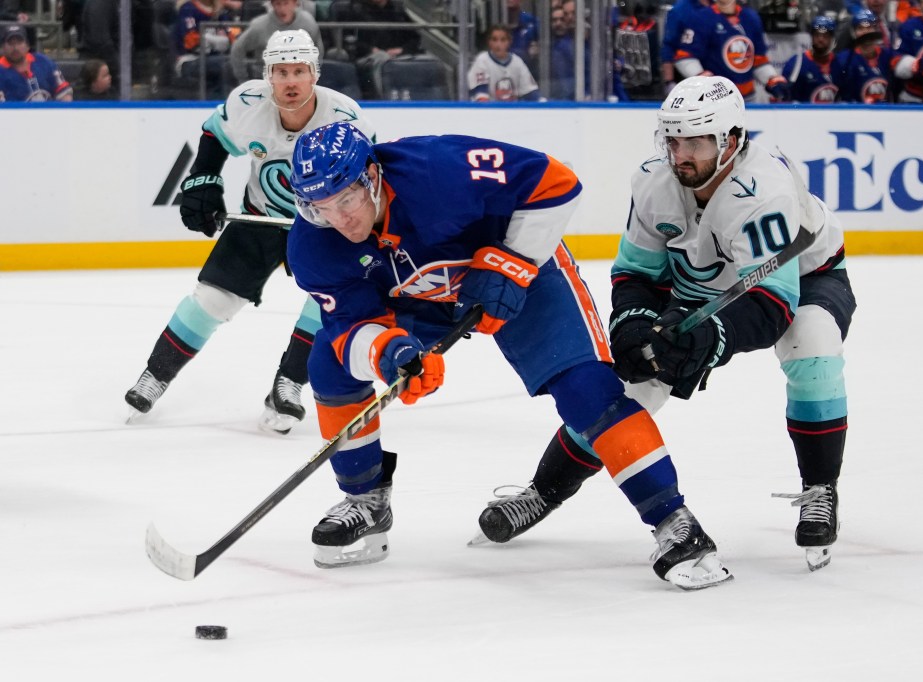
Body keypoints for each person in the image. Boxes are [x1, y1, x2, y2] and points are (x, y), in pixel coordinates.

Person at [285, 121, 734, 590]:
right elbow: (351, 328)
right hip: (415, 300)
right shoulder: (314, 245)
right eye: (319, 208)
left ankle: (673, 521)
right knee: (327, 364)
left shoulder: (440, 171)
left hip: (520, 275)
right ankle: (366, 501)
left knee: (587, 389)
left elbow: (557, 182)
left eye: (347, 200)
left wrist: (512, 261)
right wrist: (389, 352)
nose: (339, 220)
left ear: (372, 177)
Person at [477, 75, 855, 573]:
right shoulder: (654, 180)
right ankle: (544, 491)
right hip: (704, 285)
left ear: (732, 141)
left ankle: (819, 488)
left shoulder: (765, 191)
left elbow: (772, 304)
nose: (681, 154)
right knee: (631, 389)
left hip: (801, 278)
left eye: (696, 141)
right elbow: (637, 272)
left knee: (812, 345)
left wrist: (712, 337)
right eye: (673, 139)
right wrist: (634, 321)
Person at [124, 30, 376, 435]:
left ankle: (289, 382)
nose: (290, 81)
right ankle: (155, 376)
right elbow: (214, 136)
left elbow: (369, 176)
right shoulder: (247, 104)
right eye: (280, 72)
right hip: (259, 217)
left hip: (323, 228)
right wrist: (202, 179)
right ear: (267, 76)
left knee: (325, 304)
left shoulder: (345, 118)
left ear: (315, 75)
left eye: (299, 71)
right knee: (211, 299)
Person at [669, 0, 791, 102]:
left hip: (748, 100)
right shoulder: (701, 18)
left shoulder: (751, 18)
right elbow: (684, 58)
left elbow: (758, 60)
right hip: (715, 102)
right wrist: (705, 82)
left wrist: (772, 79)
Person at [229, 0, 323, 85]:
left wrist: (313, 75)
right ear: (272, 5)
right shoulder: (259, 26)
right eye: (278, 4)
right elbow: (237, 49)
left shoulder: (308, 22)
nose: (282, 8)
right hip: (266, 81)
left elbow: (318, 50)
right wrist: (243, 79)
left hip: (301, 80)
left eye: (286, 3)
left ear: (295, 4)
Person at [173, 0, 241, 99]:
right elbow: (191, 42)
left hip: (218, 58)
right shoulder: (188, 9)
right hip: (190, 60)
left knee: (235, 62)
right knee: (225, 64)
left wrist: (209, 40)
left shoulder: (221, 12)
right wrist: (218, 42)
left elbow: (232, 38)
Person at [833, 8, 895, 103]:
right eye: (861, 28)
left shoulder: (888, 55)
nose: (865, 32)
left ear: (875, 30)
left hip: (885, 113)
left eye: (869, 28)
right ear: (854, 33)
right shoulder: (843, 59)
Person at [467, 24, 539, 102]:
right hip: (488, 110)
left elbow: (530, 92)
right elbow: (481, 95)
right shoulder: (482, 60)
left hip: (512, 110)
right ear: (489, 42)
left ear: (509, 42)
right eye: (494, 40)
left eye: (503, 40)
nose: (498, 44)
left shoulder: (517, 62)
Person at [0, 25, 73, 102]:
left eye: (19, 42)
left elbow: (65, 94)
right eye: (11, 43)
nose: (15, 48)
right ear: (2, 48)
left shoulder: (43, 62)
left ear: (27, 46)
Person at [782, 14, 840, 103]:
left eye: (825, 36)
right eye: (817, 35)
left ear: (833, 39)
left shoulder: (841, 64)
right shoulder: (796, 65)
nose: (820, 39)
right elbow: (786, 98)